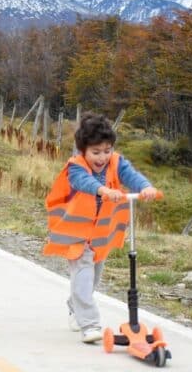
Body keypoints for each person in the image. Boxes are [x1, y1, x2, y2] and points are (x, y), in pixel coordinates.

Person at [42, 112, 158, 344]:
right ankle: (90, 324)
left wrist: (145, 187)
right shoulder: (76, 166)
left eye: (107, 150)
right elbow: (84, 182)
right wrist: (103, 190)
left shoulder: (116, 162)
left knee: (93, 278)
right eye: (96, 152)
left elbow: (131, 176)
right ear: (83, 150)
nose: (102, 157)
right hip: (76, 234)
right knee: (83, 275)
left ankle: (75, 304)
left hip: (99, 235)